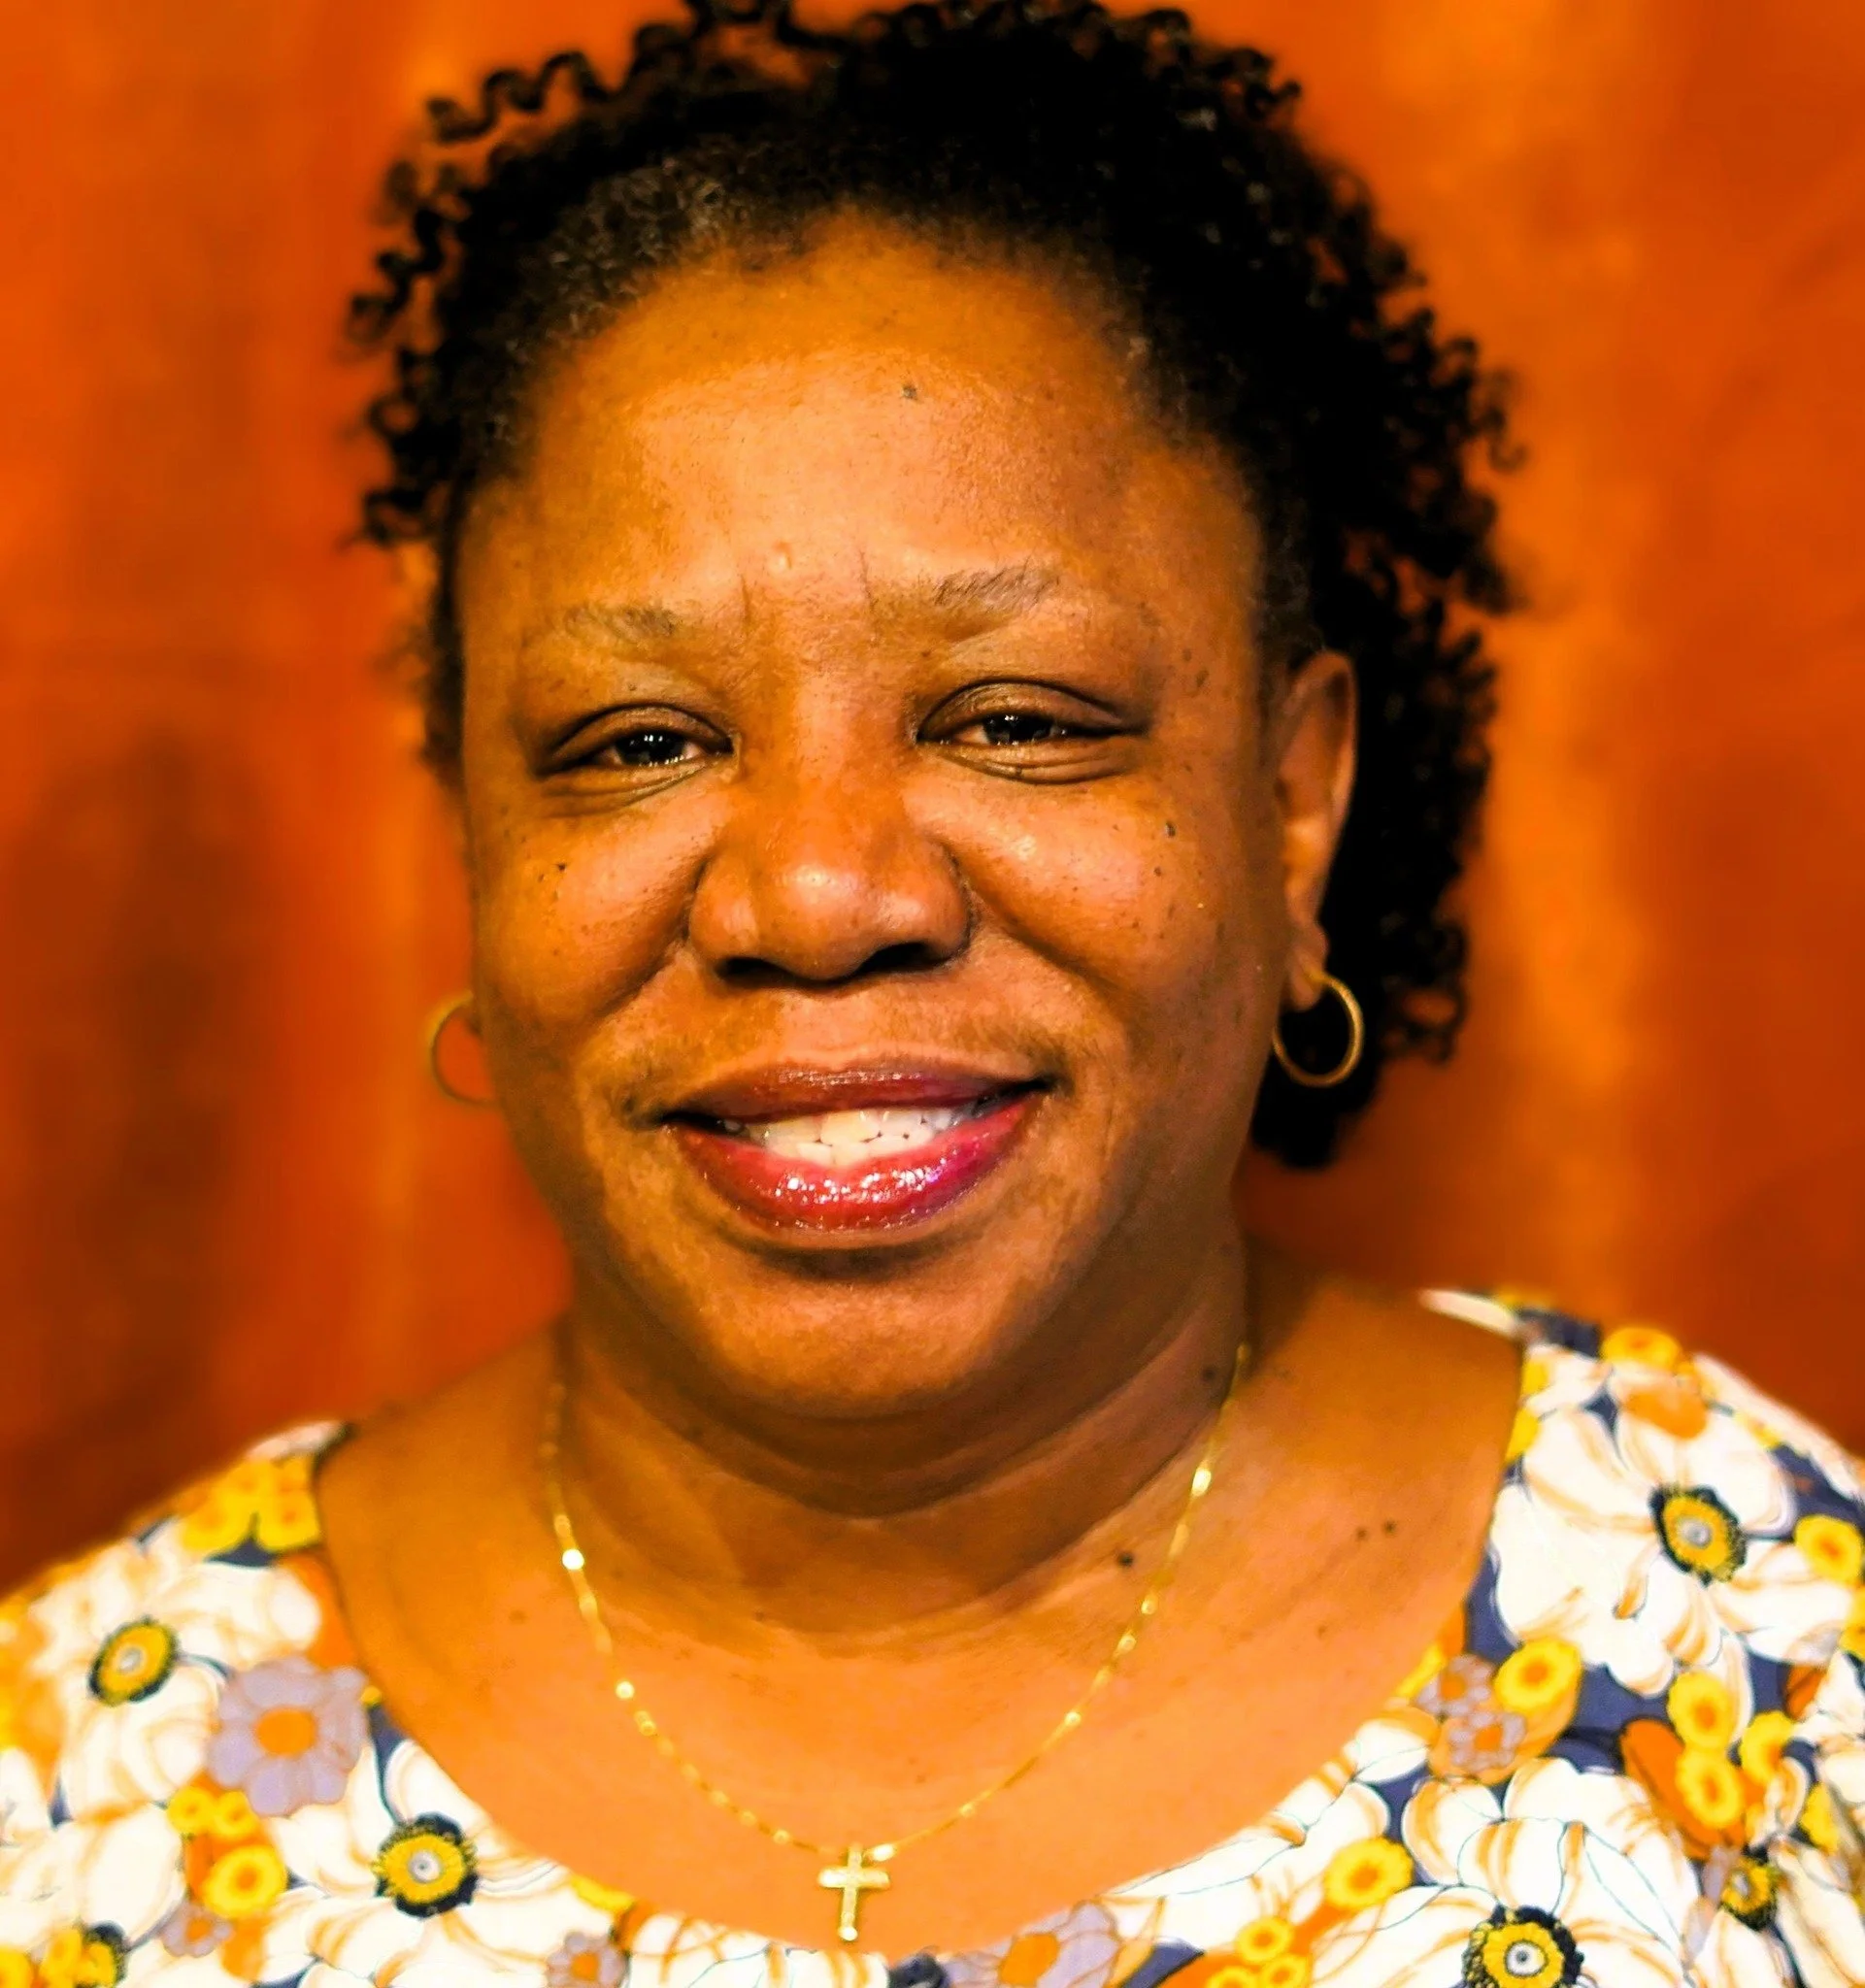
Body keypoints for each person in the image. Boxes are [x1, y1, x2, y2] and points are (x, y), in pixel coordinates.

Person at [3, 0, 1862, 1982]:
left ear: (1292, 804)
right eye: (638, 742)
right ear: (475, 832)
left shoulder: (1748, 1649)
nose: (817, 892)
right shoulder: (91, 1779)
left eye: (1015, 720)